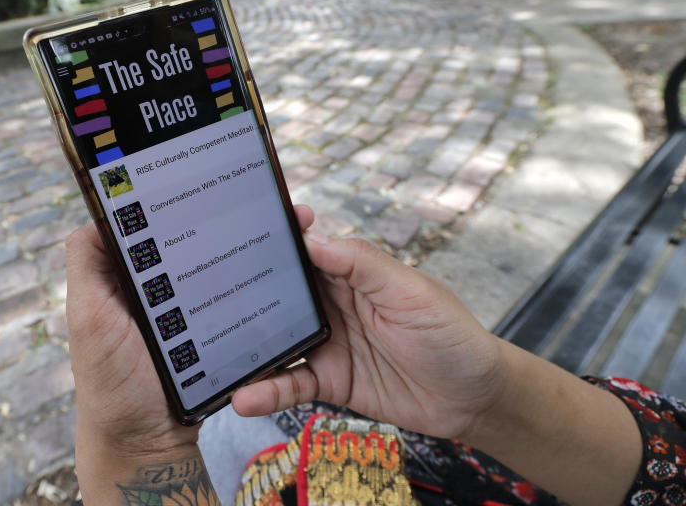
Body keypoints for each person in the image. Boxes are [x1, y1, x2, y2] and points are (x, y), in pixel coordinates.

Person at [66, 205, 686, 505]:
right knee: (243, 412)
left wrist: (138, 448)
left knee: (228, 427)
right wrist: (486, 398)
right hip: (495, 455)